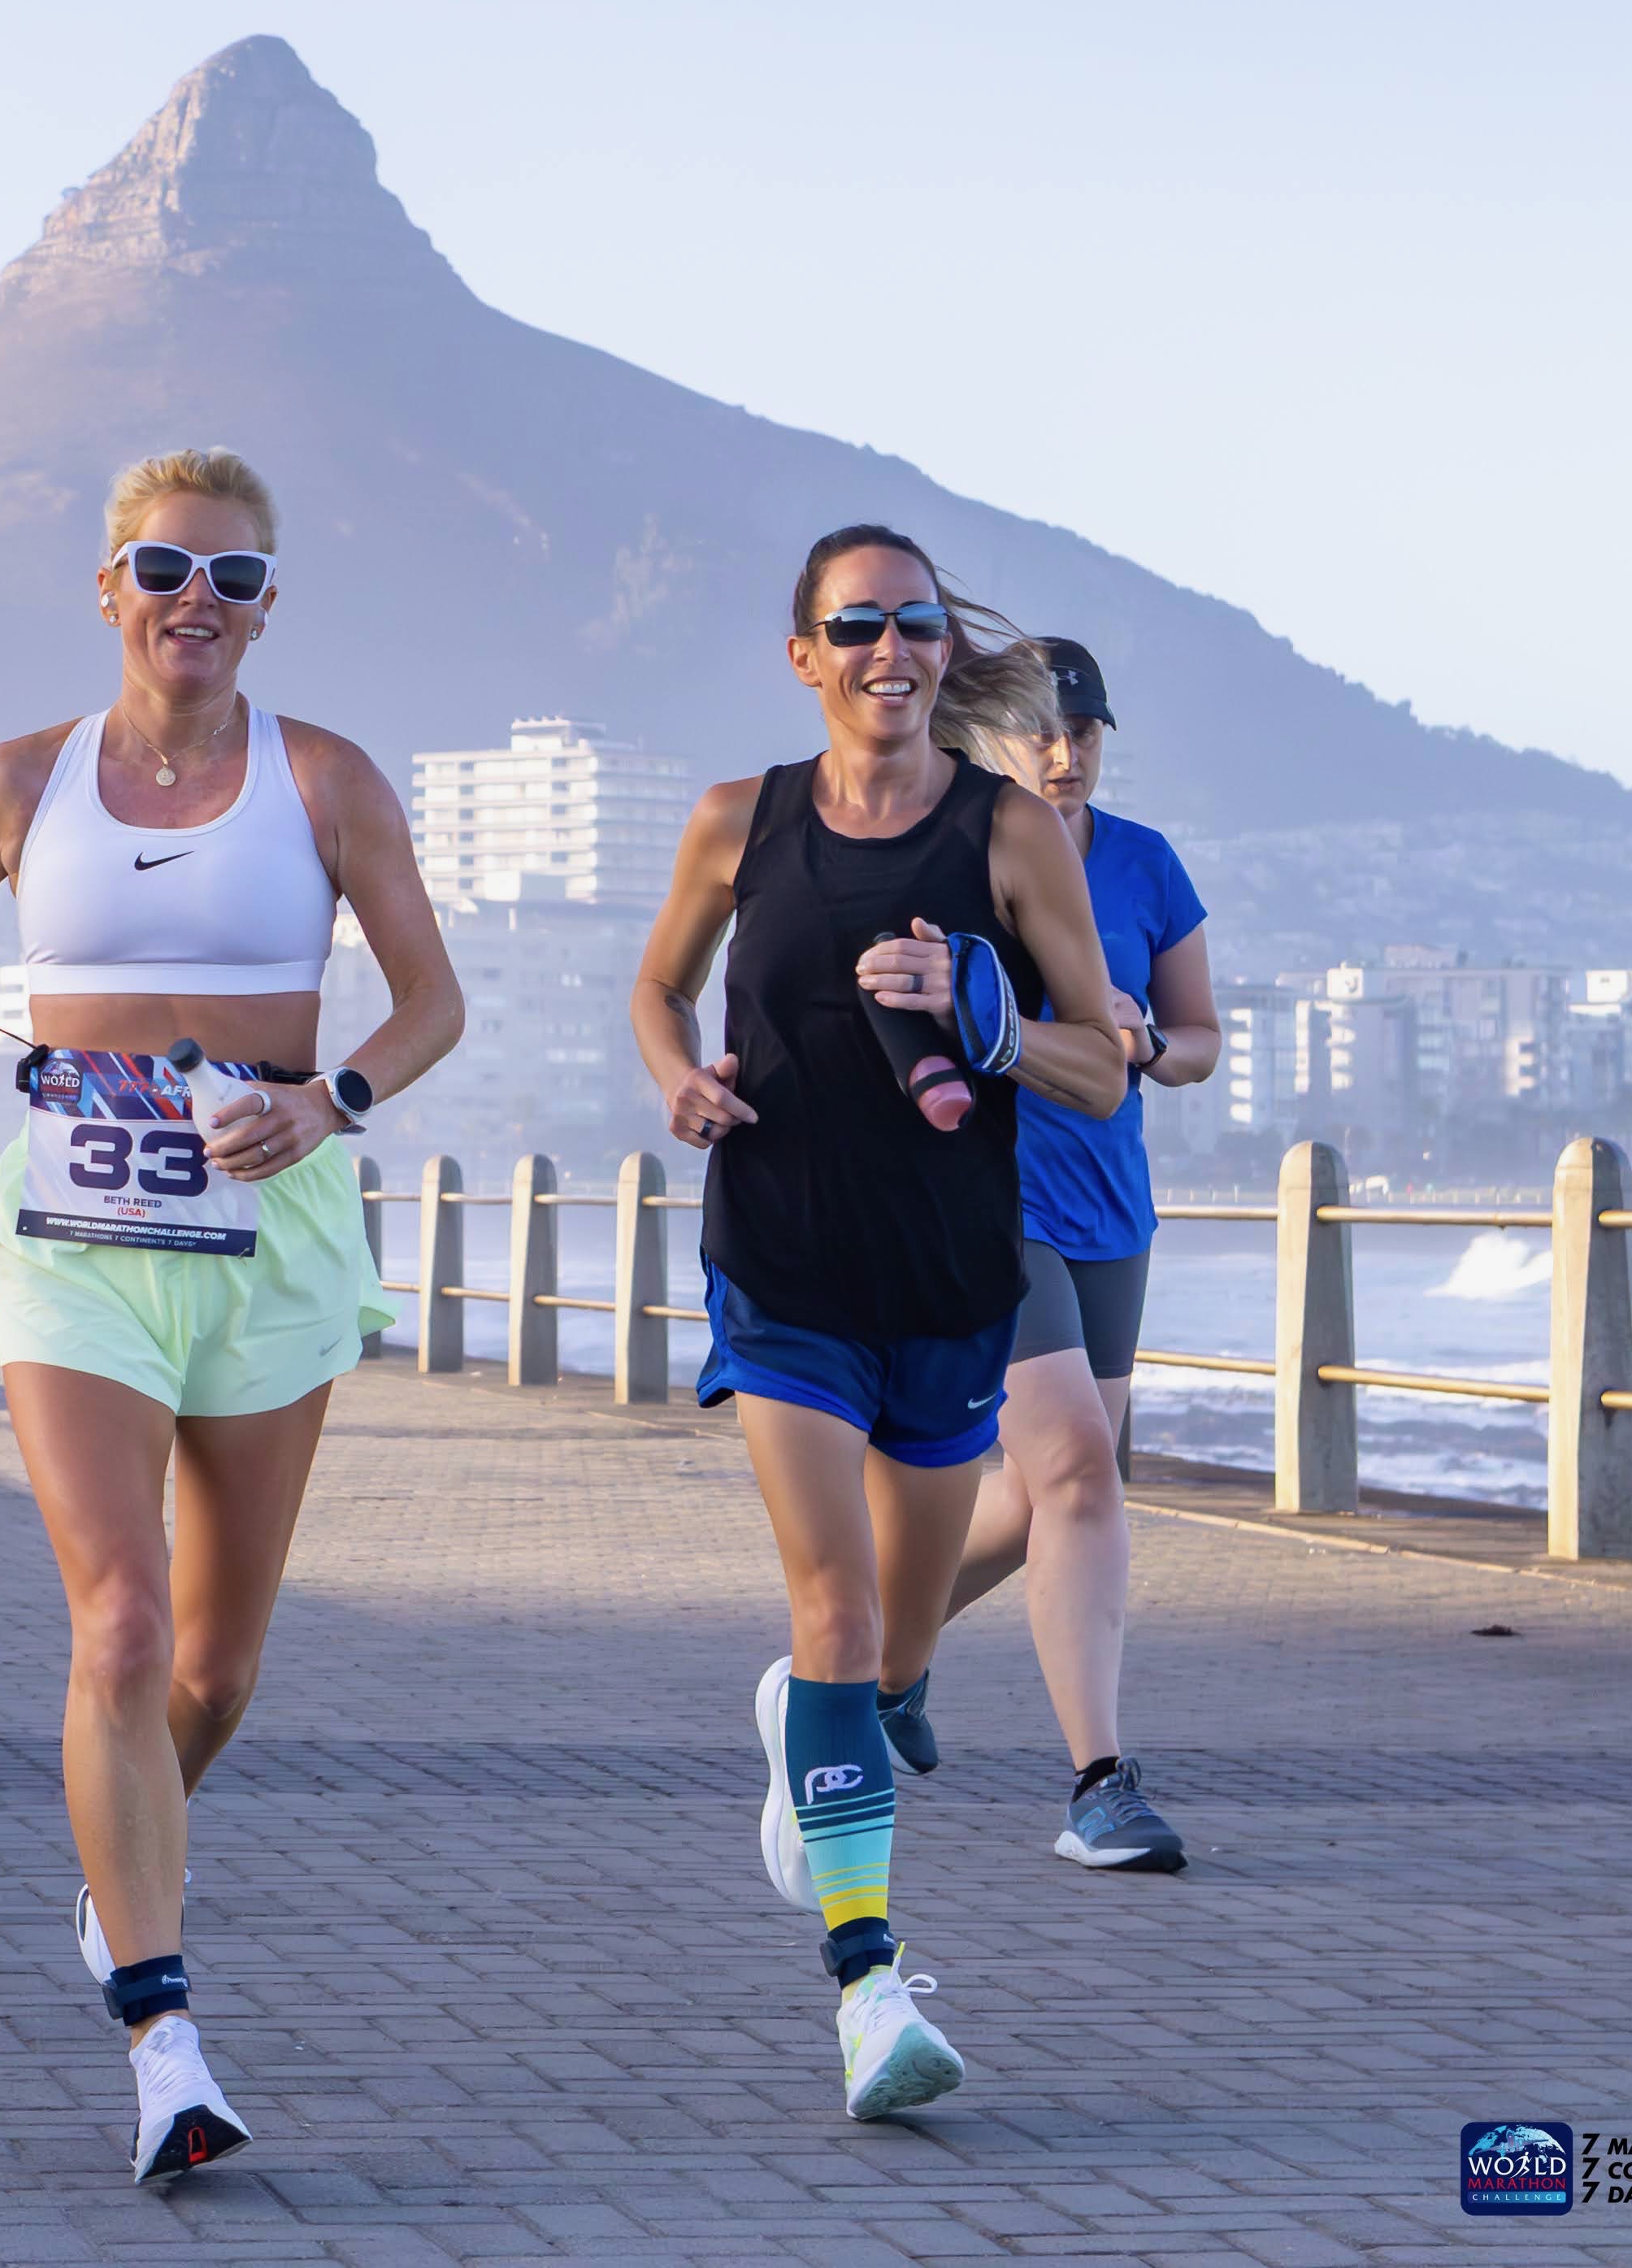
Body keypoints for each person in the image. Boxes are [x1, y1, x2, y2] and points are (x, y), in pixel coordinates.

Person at [0, 449, 459, 2183]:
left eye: (234, 580)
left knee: (215, 1672)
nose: (197, 603)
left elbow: (430, 997)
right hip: (76, 1231)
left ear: (265, 608)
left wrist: (334, 1101)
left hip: (275, 1220)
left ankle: (117, 1879)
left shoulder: (326, 782)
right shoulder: (22, 781)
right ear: (107, 589)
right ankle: (163, 2036)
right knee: (119, 1628)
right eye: (164, 569)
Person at [631, 523, 1126, 2122]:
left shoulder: (1008, 834)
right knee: (833, 1608)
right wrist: (678, 1077)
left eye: (913, 625)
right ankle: (865, 1988)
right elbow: (652, 989)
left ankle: (817, 1718)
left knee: (891, 1655)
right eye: (855, 628)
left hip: (946, 1283)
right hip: (778, 1267)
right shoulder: (739, 820)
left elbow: (1099, 1062)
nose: (889, 652)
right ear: (805, 656)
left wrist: (985, 1014)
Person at [896, 638, 1222, 1870]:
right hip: (988, 1201)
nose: (1060, 751)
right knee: (1080, 1465)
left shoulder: (1144, 863)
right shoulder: (963, 853)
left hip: (1109, 1212)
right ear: (992, 735)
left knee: (1046, 1495)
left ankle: (868, 1655)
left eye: (1081, 730)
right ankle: (1099, 1783)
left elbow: (1194, 1036)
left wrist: (1140, 1050)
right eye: (1037, 727)